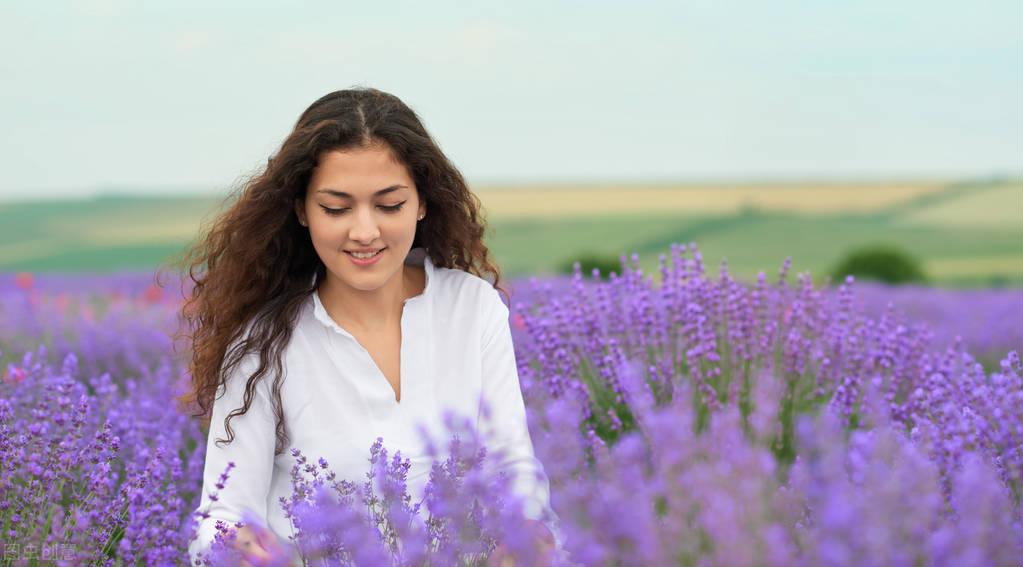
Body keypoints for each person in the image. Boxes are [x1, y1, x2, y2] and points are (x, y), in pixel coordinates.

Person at [178, 88, 556, 565]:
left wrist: (527, 535)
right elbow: (223, 513)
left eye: (389, 205)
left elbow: (514, 473)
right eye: (336, 208)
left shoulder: (473, 308)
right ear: (301, 211)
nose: (364, 231)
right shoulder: (264, 343)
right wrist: (237, 546)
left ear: (422, 203)